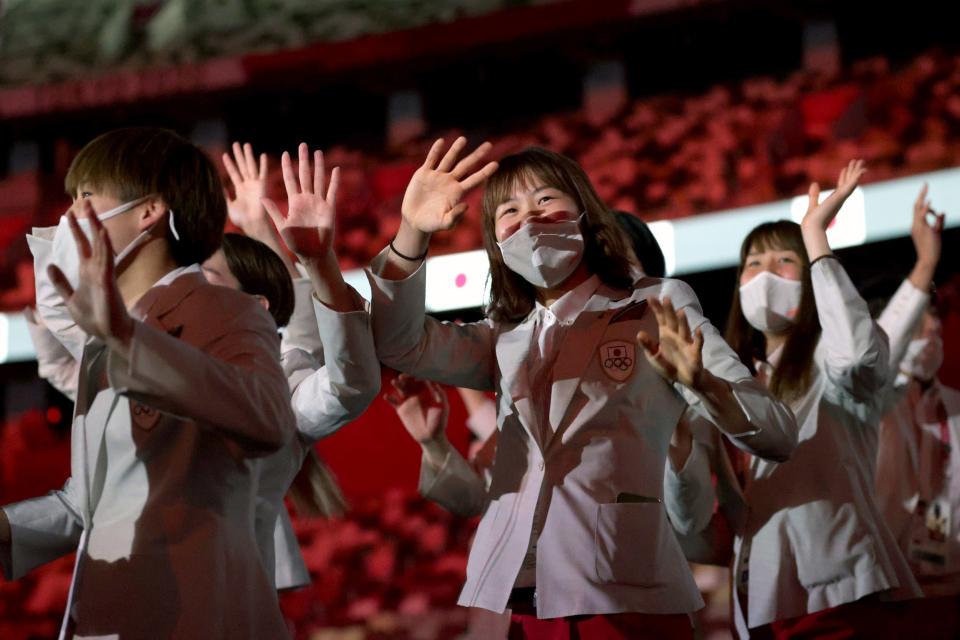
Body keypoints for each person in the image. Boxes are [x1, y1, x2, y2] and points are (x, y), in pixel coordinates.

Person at [366, 138, 798, 638]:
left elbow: (778, 436)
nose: (528, 219)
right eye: (509, 209)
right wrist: (411, 234)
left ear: (586, 214)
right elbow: (397, 343)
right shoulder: (502, 335)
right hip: (515, 598)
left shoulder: (657, 304)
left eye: (546, 199)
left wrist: (705, 384)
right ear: (496, 243)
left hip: (623, 593)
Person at [2, 127, 295, 638]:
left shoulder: (223, 307)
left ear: (149, 211)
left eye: (87, 196)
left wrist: (124, 338)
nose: (70, 217)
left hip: (197, 617)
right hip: (113, 615)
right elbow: (96, 502)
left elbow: (268, 419)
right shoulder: (110, 335)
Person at [667, 161, 922, 638]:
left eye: (785, 261)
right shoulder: (721, 378)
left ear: (810, 280)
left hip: (837, 589)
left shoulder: (831, 356)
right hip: (759, 599)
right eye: (752, 264)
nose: (766, 275)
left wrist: (816, 239)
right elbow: (691, 514)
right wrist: (676, 428)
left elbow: (860, 357)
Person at [874, 185, 957, 635]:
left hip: (946, 592)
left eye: (937, 313)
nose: (935, 326)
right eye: (921, 314)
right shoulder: (869, 403)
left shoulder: (956, 410)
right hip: (882, 596)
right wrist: (925, 262)